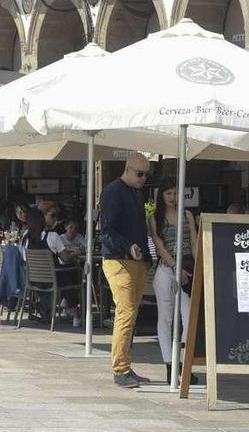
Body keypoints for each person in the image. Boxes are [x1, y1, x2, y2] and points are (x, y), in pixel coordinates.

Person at [100, 152, 152, 388]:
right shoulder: (113, 191)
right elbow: (107, 229)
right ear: (128, 168)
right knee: (126, 313)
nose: (143, 179)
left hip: (136, 260)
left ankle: (126, 367)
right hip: (118, 260)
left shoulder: (135, 193)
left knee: (131, 315)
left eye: (146, 175)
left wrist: (145, 255)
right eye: (140, 174)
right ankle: (120, 370)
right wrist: (128, 246)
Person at [148, 177, 199, 385]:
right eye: (168, 193)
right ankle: (169, 365)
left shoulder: (187, 215)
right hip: (166, 268)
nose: (172, 197)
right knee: (166, 318)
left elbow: (194, 242)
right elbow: (159, 245)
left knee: (188, 318)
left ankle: (181, 364)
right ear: (161, 195)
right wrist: (175, 267)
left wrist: (198, 268)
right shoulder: (154, 217)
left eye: (176, 193)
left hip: (187, 268)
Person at [23, 208, 81, 327]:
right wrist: (76, 253)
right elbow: (65, 258)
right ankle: (74, 311)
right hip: (53, 279)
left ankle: (65, 305)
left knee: (66, 274)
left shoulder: (25, 238)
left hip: (33, 279)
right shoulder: (53, 236)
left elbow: (24, 258)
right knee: (72, 271)